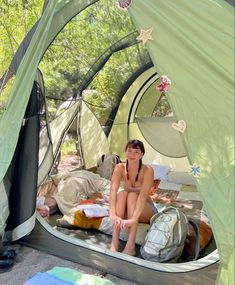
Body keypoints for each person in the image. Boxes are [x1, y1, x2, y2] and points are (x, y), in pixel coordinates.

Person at [109, 139, 157, 256]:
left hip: (145, 209)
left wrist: (133, 219)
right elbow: (112, 190)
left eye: (136, 152)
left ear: (142, 154)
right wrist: (113, 214)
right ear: (125, 152)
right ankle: (114, 242)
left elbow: (143, 196)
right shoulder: (119, 167)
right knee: (122, 194)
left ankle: (130, 246)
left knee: (132, 195)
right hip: (128, 209)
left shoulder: (147, 170)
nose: (132, 155)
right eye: (130, 151)